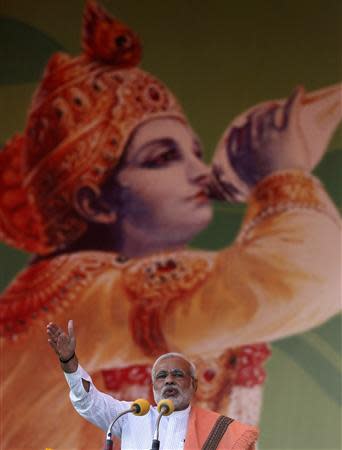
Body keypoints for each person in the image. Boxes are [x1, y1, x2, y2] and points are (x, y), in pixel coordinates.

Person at [0, 2, 341, 449]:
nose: (200, 173)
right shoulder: (100, 293)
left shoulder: (69, 288)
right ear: (94, 201)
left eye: (195, 153)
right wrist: (281, 172)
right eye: (163, 157)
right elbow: (306, 276)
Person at [47, 320, 259, 450]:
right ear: (153, 385)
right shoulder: (131, 416)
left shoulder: (218, 430)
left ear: (193, 384)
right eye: (162, 376)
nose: (169, 380)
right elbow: (88, 402)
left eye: (178, 374)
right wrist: (69, 362)